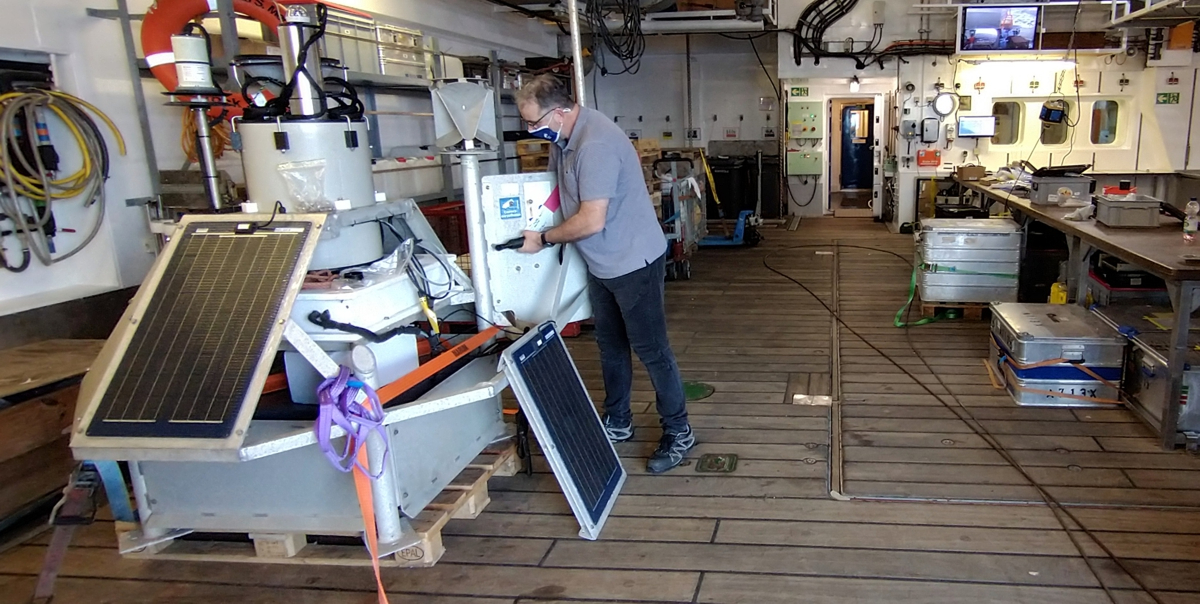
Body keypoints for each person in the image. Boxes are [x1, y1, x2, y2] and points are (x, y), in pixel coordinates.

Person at [513, 74, 694, 474]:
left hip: (633, 263)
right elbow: (563, 195)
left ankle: (679, 430)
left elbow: (592, 220)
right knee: (610, 346)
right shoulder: (565, 139)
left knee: (652, 350)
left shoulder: (594, 144)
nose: (531, 131)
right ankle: (618, 420)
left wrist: (542, 238)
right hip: (602, 262)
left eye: (535, 122)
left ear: (560, 111)